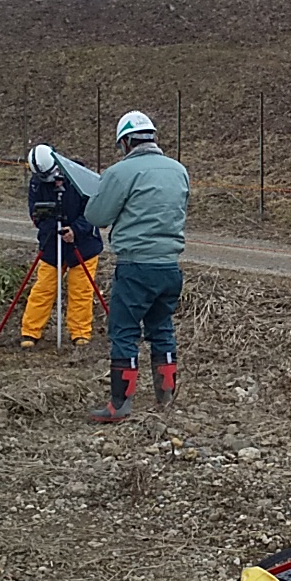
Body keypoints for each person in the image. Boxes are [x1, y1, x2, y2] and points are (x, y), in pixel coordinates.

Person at [83, 110, 189, 422]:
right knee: (162, 328)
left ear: (126, 141)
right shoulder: (178, 170)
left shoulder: (121, 172)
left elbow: (97, 217)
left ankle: (119, 405)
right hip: (170, 266)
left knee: (124, 331)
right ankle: (165, 398)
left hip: (135, 265)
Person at [19, 144, 103, 348]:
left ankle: (80, 333)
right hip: (52, 244)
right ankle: (30, 332)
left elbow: (94, 210)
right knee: (43, 288)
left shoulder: (80, 176)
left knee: (81, 290)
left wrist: (75, 230)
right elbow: (36, 214)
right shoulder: (37, 184)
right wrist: (52, 229)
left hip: (83, 245)